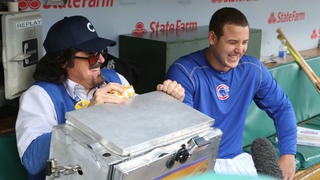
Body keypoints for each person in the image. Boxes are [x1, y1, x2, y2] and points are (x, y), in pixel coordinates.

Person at [15, 16, 185, 179]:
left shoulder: (115, 79)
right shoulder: (40, 95)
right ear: (63, 60)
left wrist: (166, 103)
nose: (102, 60)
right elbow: (32, 161)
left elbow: (145, 126)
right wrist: (87, 118)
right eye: (92, 55)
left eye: (102, 52)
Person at [163, 7, 297, 180]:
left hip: (236, 160)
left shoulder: (253, 69)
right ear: (212, 38)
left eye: (244, 42)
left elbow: (282, 107)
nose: (239, 49)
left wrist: (288, 154)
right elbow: (186, 136)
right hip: (197, 164)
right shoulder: (185, 72)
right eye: (233, 42)